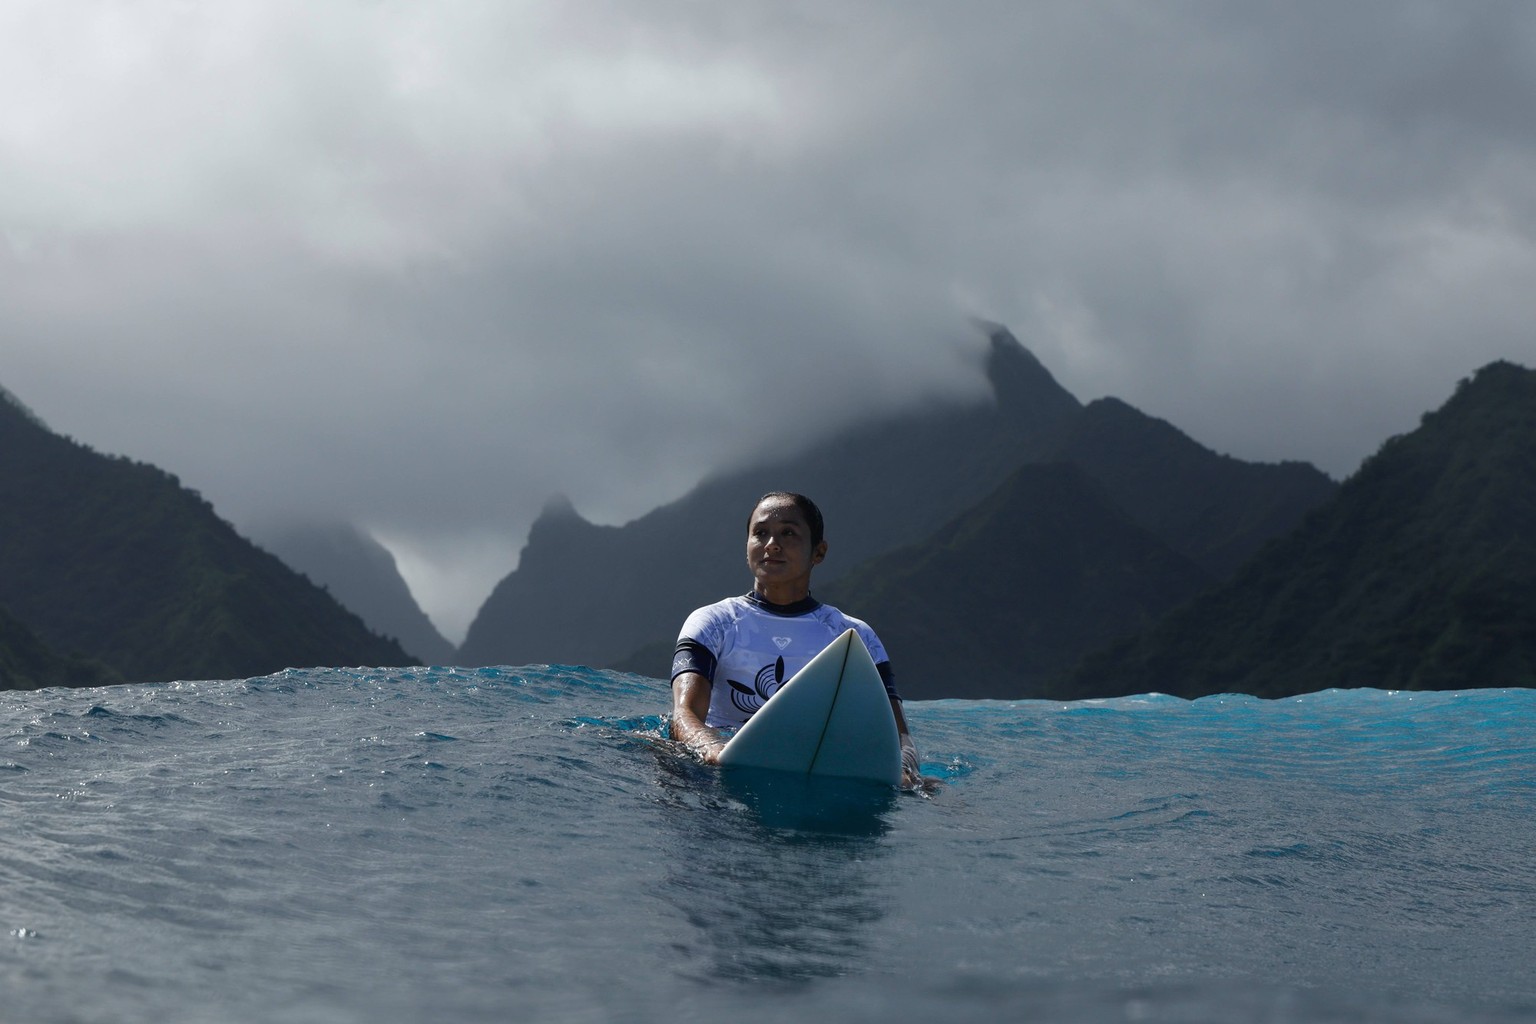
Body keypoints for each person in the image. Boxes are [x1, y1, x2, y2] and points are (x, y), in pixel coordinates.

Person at [669, 491, 923, 790]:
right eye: (760, 533)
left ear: (819, 552)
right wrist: (710, 747)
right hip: (724, 768)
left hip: (814, 772)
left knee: (930, 790)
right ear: (747, 546)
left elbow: (900, 735)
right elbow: (684, 713)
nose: (771, 544)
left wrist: (904, 770)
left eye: (788, 533)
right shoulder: (713, 622)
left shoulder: (853, 636)